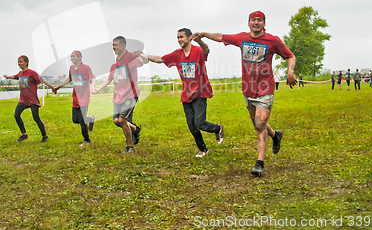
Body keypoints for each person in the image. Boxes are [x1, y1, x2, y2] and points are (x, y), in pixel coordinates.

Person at [195, 11, 296, 177]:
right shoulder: (242, 38)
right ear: (248, 23)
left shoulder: (273, 40)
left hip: (265, 88)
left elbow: (290, 55)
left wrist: (290, 72)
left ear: (264, 23)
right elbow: (221, 37)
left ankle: (259, 164)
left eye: (259, 20)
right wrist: (204, 34)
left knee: (259, 124)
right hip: (248, 89)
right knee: (257, 123)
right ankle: (275, 135)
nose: (256, 22)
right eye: (253, 20)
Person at [137, 28, 224, 158]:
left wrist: (200, 41)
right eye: (177, 37)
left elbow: (207, 50)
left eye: (181, 37)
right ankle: (203, 150)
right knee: (192, 126)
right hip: (187, 95)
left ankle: (218, 129)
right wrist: (145, 56)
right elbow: (160, 59)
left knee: (200, 123)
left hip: (200, 93)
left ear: (189, 38)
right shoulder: (178, 54)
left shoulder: (198, 51)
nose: (179, 40)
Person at [92, 36, 142, 154]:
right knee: (116, 121)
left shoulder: (131, 59)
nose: (114, 47)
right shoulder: (114, 66)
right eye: (113, 45)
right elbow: (108, 80)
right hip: (118, 97)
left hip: (131, 95)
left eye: (116, 45)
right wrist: (98, 88)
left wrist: (142, 56)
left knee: (123, 120)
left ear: (123, 45)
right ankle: (135, 129)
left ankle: (130, 147)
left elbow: (143, 61)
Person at [4, 55, 55, 143]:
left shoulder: (32, 73)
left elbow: (41, 80)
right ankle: (24, 134)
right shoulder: (20, 73)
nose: (19, 63)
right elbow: (15, 76)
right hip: (23, 100)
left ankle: (45, 136)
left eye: (21, 62)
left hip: (32, 100)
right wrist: (7, 77)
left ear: (26, 62)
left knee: (36, 118)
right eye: (18, 62)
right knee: (16, 115)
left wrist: (52, 87)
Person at [54, 51, 96, 146]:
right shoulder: (71, 68)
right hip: (75, 97)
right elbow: (69, 79)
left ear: (79, 57)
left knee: (81, 119)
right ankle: (91, 119)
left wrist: (93, 87)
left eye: (73, 56)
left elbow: (92, 78)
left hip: (84, 97)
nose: (72, 58)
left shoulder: (86, 68)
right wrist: (58, 87)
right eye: (71, 57)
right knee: (75, 119)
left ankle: (87, 140)